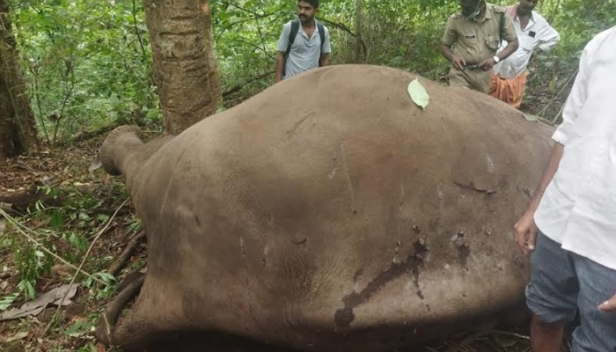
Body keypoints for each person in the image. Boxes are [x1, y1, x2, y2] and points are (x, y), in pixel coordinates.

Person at [514, 25, 616, 352]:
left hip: (609, 243)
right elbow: (568, 129)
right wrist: (535, 207)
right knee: (545, 313)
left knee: (598, 343)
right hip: (561, 215)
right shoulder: (602, 45)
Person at [490, 0, 560, 108]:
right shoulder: (503, 14)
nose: (530, 4)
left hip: (514, 81)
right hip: (492, 76)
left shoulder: (539, 23)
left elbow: (554, 38)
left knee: (507, 116)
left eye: (534, 2)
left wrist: (536, 51)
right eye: (528, 0)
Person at [441, 0, 519, 93]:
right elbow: (444, 46)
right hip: (461, 72)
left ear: (480, 4)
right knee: (461, 101)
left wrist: (495, 59)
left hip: (484, 75)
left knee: (477, 105)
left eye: (468, 8)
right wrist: (453, 57)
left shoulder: (499, 15)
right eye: (462, 6)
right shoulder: (456, 20)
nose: (464, 11)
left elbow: (514, 43)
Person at [275, 0, 331, 83]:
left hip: (312, 84)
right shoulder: (290, 28)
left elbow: (324, 58)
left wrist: (324, 83)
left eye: (307, 9)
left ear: (316, 11)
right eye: (300, 7)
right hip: (290, 83)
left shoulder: (323, 31)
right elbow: (281, 56)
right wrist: (277, 84)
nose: (302, 11)